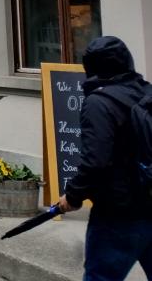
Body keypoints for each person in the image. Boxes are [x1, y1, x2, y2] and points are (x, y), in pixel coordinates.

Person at [55, 36, 152, 280]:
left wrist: (73, 196)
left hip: (119, 214)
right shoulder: (146, 92)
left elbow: (95, 161)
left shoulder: (99, 103)